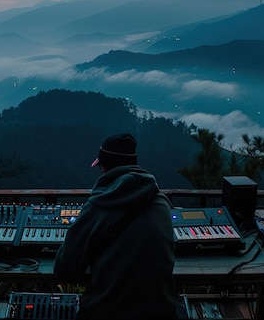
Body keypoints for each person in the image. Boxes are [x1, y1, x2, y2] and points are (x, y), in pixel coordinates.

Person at [53, 133, 177, 320]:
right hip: (162, 312)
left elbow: (64, 270)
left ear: (104, 167)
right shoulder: (161, 203)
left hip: (106, 312)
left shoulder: (98, 205)